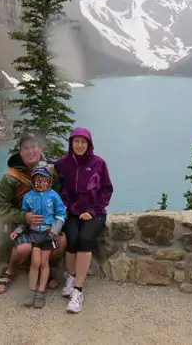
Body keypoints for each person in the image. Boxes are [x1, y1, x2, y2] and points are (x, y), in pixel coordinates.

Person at [0, 132, 66, 294]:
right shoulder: (11, 177)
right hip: (20, 224)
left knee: (61, 243)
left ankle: (41, 268)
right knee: (24, 248)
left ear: (40, 149)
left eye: (34, 147)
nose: (30, 151)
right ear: (20, 151)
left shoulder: (51, 172)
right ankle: (10, 270)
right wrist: (24, 217)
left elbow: (61, 197)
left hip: (46, 225)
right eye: (26, 148)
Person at [54, 127, 113, 314]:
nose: (79, 145)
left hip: (95, 212)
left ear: (89, 144)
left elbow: (106, 190)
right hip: (72, 212)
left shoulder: (99, 163)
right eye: (76, 141)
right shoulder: (62, 163)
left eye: (83, 142)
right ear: (71, 143)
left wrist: (92, 210)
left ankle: (78, 291)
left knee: (85, 239)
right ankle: (70, 277)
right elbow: (55, 184)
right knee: (72, 239)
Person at [10, 165, 67, 308]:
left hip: (48, 235)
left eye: (44, 180)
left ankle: (41, 292)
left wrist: (54, 231)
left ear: (49, 181)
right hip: (35, 234)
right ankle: (31, 291)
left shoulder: (54, 196)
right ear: (33, 181)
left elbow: (60, 215)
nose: (41, 183)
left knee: (43, 263)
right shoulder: (28, 197)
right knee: (35, 263)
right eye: (38, 180)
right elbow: (26, 217)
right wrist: (18, 230)